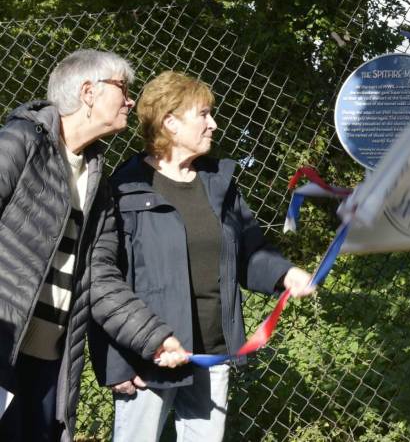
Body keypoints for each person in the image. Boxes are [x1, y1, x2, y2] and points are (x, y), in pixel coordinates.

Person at [89, 70, 315, 442]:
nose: (214, 124)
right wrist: (117, 364)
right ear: (170, 123)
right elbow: (104, 282)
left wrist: (284, 274)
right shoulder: (125, 189)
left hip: (212, 350)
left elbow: (250, 251)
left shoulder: (219, 183)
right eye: (204, 114)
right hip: (152, 356)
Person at [0, 49, 189, 442]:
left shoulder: (98, 183)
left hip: (50, 365)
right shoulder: (21, 142)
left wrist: (153, 337)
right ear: (88, 92)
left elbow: (99, 279)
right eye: (123, 88)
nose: (130, 101)